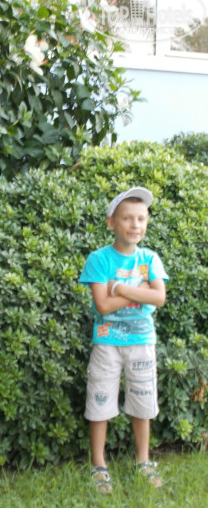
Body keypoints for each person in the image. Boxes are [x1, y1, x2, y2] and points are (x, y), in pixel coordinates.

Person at [79, 187, 168, 493]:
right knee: (100, 400)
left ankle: (143, 461)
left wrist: (118, 288)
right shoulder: (99, 259)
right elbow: (102, 306)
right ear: (111, 223)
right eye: (127, 218)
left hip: (142, 343)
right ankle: (98, 465)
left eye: (141, 218)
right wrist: (139, 291)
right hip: (106, 344)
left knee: (143, 401)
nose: (135, 225)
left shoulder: (150, 258)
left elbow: (159, 297)